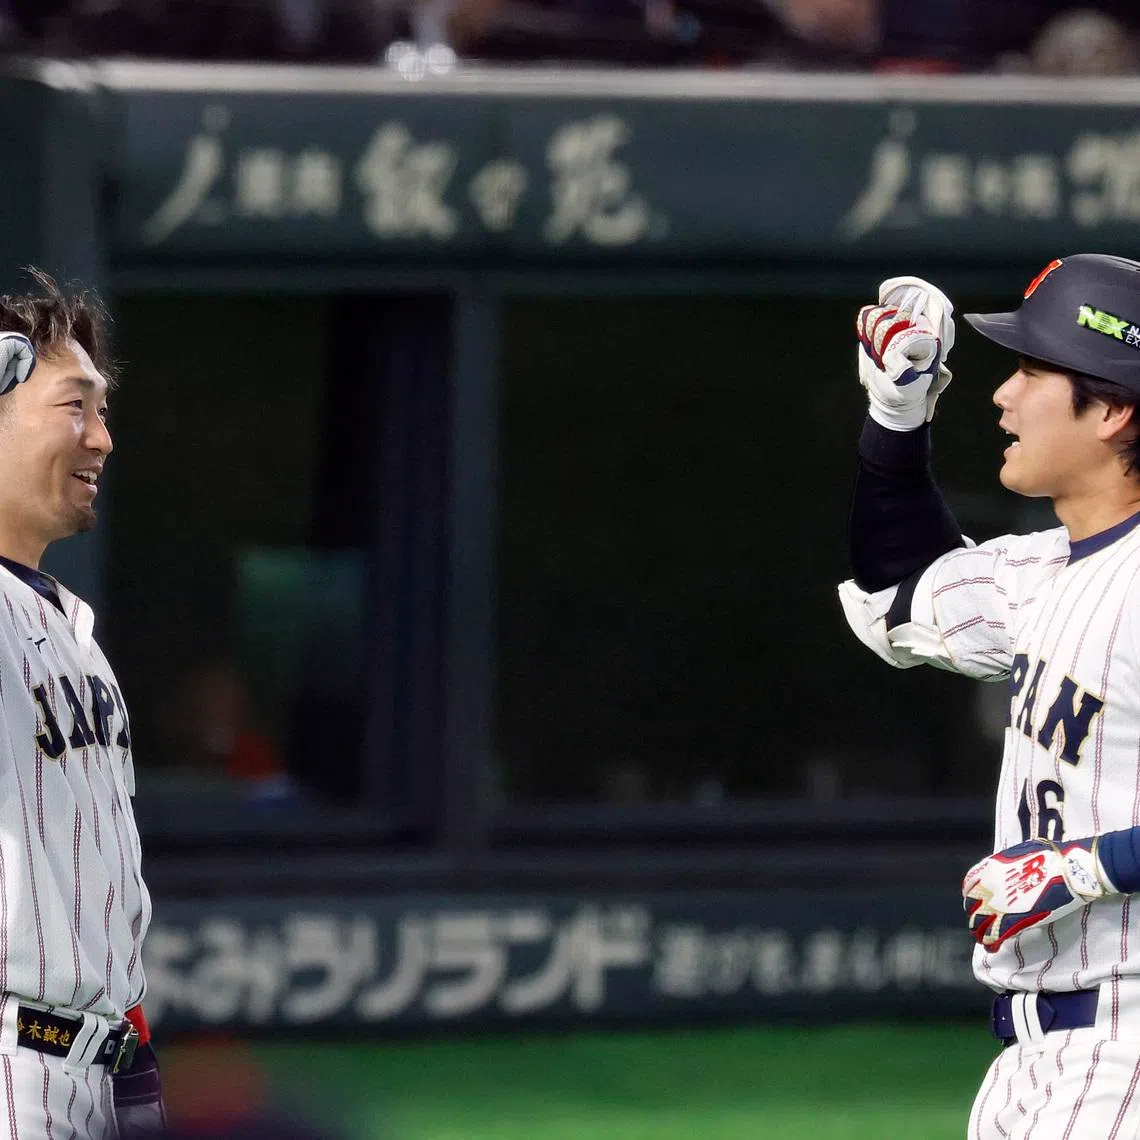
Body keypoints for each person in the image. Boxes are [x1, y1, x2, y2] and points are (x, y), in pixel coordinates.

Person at [840, 254, 1140, 1136]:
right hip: (1033, 1056)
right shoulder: (1045, 564)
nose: (1002, 395)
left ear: (1115, 407)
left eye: (1032, 371)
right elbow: (899, 589)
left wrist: (1092, 866)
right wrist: (897, 417)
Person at [0, 269, 161, 1137]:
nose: (101, 438)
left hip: (97, 1067)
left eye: (102, 409)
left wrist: (133, 1063)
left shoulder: (71, 629)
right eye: (73, 406)